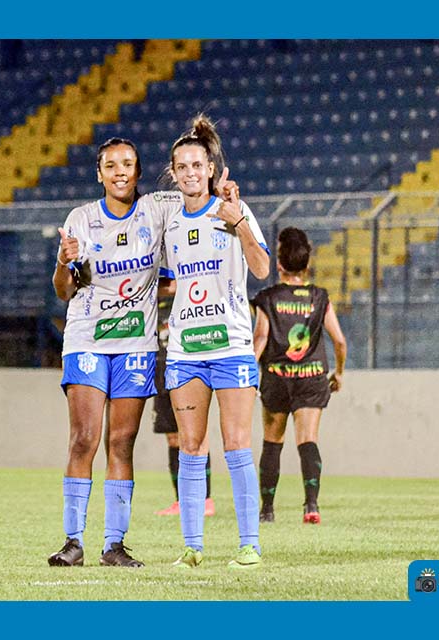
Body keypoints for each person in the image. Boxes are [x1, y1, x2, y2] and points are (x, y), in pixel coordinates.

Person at [48, 137, 182, 567]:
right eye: (111, 165)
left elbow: (194, 198)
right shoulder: (81, 220)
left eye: (128, 163)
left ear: (139, 171)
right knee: (84, 438)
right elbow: (65, 290)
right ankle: (72, 541)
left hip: (136, 345)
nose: (120, 171)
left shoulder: (156, 211)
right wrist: (63, 264)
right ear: (99, 174)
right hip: (86, 339)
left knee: (121, 442)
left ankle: (114, 545)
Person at [160, 115, 270, 569]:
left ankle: (249, 545)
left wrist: (239, 222)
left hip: (232, 348)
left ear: (210, 168)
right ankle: (192, 549)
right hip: (186, 351)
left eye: (196, 165)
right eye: (181, 166)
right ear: (173, 173)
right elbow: (166, 280)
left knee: (238, 444)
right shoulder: (167, 221)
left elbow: (262, 269)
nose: (189, 173)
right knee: (190, 447)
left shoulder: (232, 211)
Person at [251, 227, 347, 524]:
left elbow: (260, 338)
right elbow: (340, 341)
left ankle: (267, 510)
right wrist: (339, 373)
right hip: (311, 377)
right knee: (307, 439)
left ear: (279, 264)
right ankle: (311, 506)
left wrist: (250, 374)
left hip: (277, 377)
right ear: (307, 264)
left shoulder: (268, 297)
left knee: (272, 441)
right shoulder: (320, 297)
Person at [152, 293, 215, 518]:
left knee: (195, 434)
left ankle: (205, 498)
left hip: (188, 366)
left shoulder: (190, 294)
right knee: (172, 437)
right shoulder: (152, 300)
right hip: (161, 370)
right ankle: (180, 500)